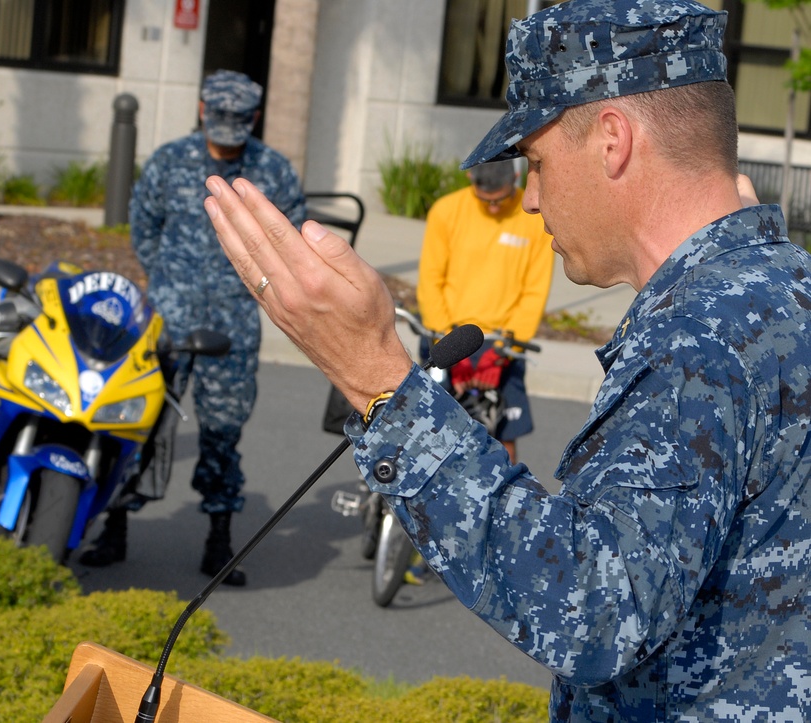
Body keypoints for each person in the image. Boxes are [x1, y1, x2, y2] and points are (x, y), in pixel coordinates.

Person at [201, 0, 811, 718]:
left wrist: (375, 376)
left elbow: (594, 608)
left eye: (537, 160)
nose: (529, 197)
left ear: (612, 140)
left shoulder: (699, 331)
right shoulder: (780, 285)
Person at [79, 70, 305, 586]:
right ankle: (114, 530)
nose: (226, 132)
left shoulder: (271, 170)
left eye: (238, 123)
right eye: (219, 119)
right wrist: (167, 279)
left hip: (233, 320)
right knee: (138, 420)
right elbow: (144, 224)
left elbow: (288, 238)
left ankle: (220, 542)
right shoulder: (169, 160)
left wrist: (257, 288)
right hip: (169, 319)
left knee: (223, 430)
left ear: (252, 118)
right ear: (203, 110)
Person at [417, 159, 554, 462]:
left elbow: (534, 291)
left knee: (503, 438)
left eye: (502, 199)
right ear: (470, 179)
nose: (494, 207)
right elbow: (430, 281)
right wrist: (448, 348)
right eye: (485, 200)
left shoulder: (533, 217)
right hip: (448, 338)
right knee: (432, 435)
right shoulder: (446, 211)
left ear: (515, 179)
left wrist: (506, 349)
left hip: (502, 343)